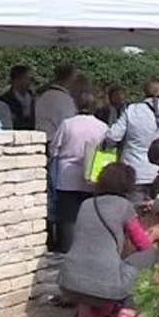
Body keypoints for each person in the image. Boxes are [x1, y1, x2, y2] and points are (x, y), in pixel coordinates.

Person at [57, 162, 158, 317]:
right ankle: (127, 308)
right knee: (149, 255)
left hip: (68, 285)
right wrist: (156, 233)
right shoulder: (124, 206)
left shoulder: (86, 204)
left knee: (92, 272)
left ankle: (86, 308)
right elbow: (142, 245)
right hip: (105, 288)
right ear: (128, 184)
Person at [104, 78, 159, 202]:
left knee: (135, 215)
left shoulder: (132, 111)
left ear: (143, 94)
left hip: (134, 173)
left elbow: (113, 136)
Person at [50, 92, 108, 253]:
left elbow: (54, 148)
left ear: (76, 105)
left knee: (68, 218)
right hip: (91, 175)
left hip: (67, 175)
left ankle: (66, 251)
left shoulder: (67, 124)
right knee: (89, 216)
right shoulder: (102, 127)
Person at [35, 63, 78, 143]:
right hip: (54, 142)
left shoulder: (43, 96)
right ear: (70, 79)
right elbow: (69, 126)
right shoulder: (64, 99)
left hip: (40, 140)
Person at [0, 65, 36, 130]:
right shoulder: (4, 100)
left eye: (29, 79)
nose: (29, 82)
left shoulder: (34, 98)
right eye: (26, 78)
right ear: (16, 80)